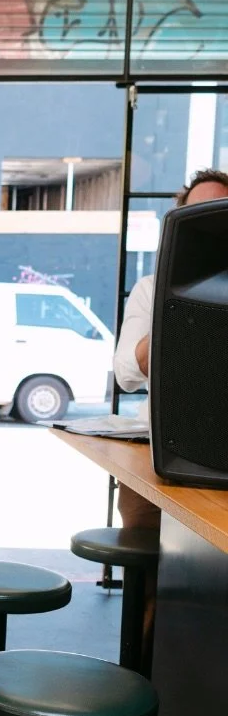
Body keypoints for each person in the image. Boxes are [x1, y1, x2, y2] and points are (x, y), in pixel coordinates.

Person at [114, 168, 228, 530]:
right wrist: (174, 308)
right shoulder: (151, 289)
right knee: (143, 533)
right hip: (165, 456)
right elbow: (126, 374)